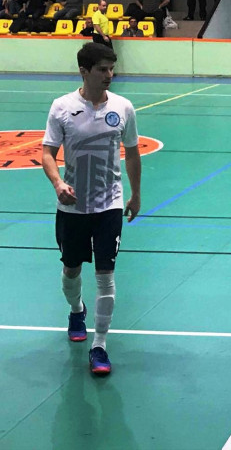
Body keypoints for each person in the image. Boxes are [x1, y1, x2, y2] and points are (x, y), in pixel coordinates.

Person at [41, 42, 141, 375]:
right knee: (71, 270)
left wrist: (135, 194)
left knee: (105, 275)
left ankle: (100, 345)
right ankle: (76, 310)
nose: (109, 75)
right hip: (72, 207)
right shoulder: (62, 107)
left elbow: (133, 153)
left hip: (109, 203)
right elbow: (47, 153)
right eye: (102, 69)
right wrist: (58, 184)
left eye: (112, 68)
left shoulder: (123, 107)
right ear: (84, 71)